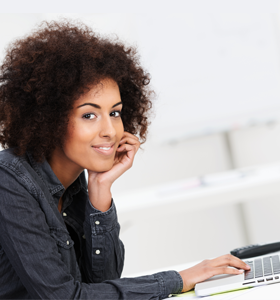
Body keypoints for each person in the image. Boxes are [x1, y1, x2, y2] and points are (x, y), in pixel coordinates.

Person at [0, 20, 250, 299]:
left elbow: (101, 283)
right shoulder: (9, 179)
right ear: (49, 119)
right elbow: (65, 297)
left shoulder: (76, 183)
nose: (109, 131)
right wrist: (179, 279)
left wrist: (100, 191)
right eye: (89, 115)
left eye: (115, 113)